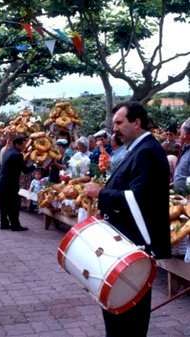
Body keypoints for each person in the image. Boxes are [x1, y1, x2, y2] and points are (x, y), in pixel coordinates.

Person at [84, 101, 171, 337]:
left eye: (120, 122)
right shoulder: (138, 149)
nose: (115, 129)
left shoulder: (148, 152)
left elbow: (138, 198)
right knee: (117, 316)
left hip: (134, 248)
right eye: (114, 123)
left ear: (137, 122)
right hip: (125, 246)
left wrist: (100, 193)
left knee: (128, 321)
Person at [0, 136, 36, 231]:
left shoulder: (8, 150)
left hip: (1, 182)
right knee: (14, 205)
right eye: (23, 145)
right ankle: (15, 225)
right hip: (9, 185)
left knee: (4, 205)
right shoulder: (17, 155)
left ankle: (4, 223)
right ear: (17, 145)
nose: (24, 147)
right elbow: (25, 170)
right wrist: (35, 165)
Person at [173, 118, 190, 193]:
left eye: (181, 132)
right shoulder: (185, 148)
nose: (179, 134)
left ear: (187, 135)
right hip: (180, 195)